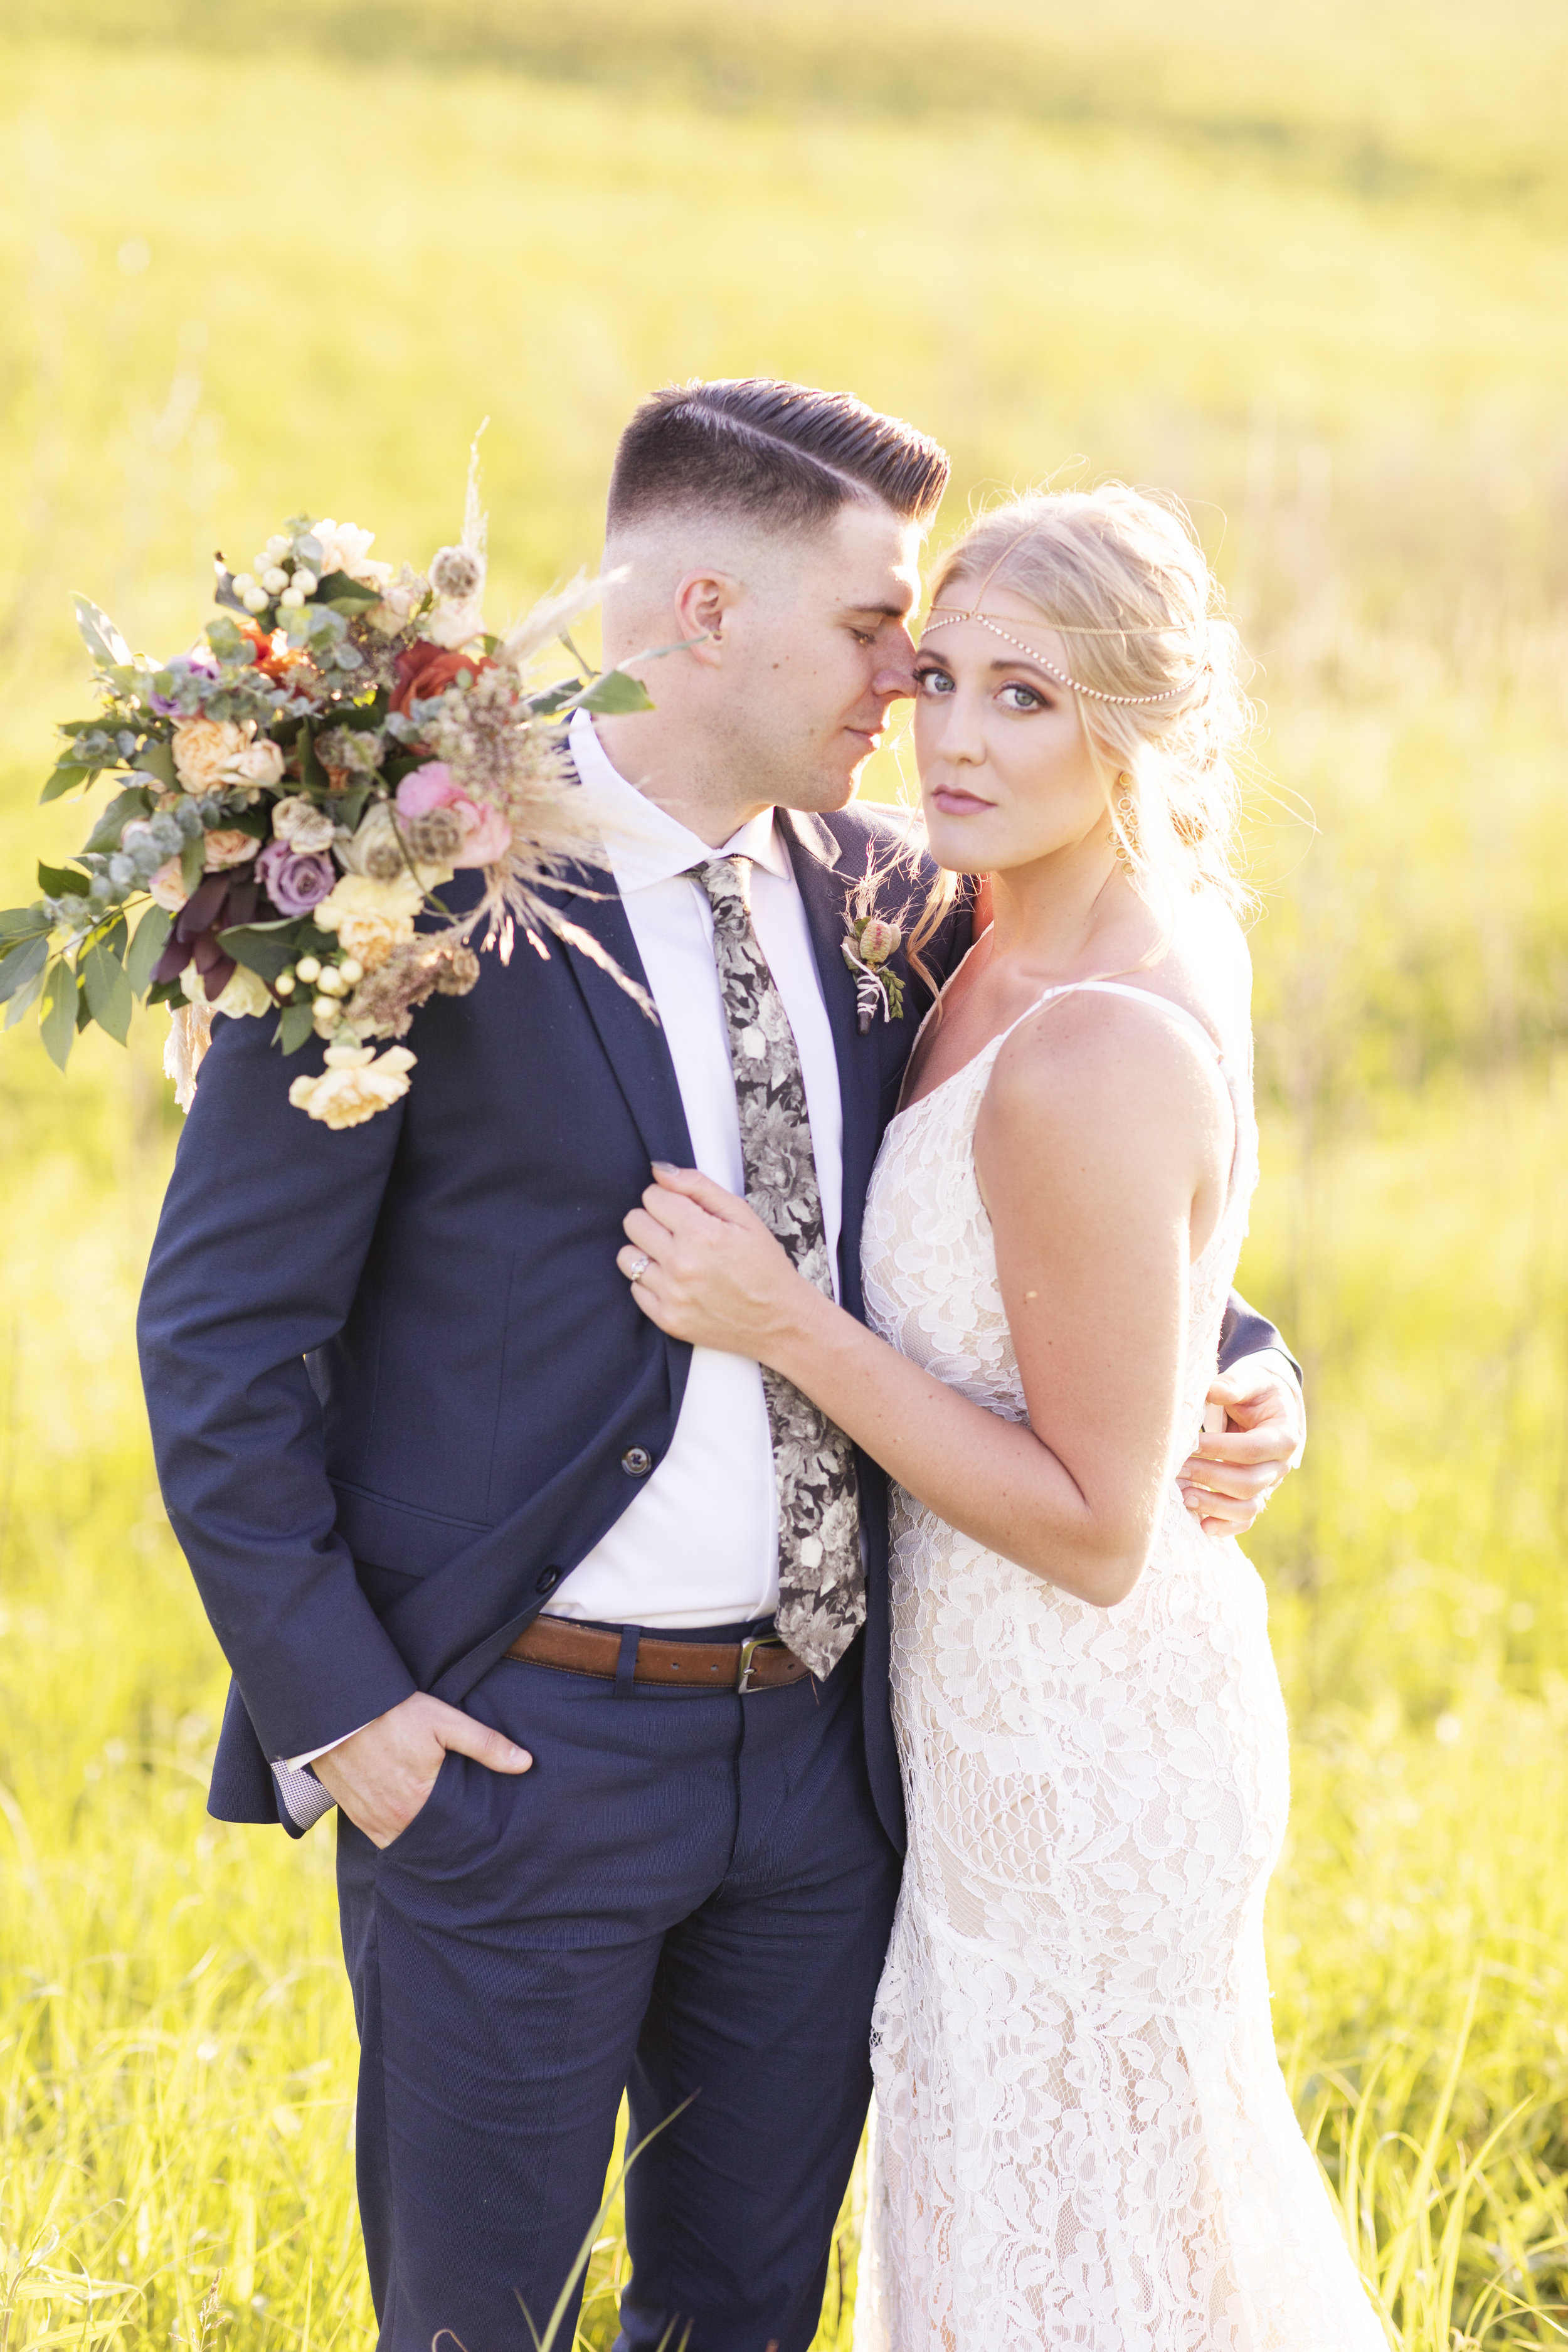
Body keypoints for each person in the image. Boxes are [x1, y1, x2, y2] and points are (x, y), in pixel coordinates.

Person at [137, 386, 1304, 2352]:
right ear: (699, 611)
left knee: (745, 2314)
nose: (906, 695)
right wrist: (351, 1720)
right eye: (880, 638)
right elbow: (223, 1336)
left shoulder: (885, 897)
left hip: (832, 1771)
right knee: (473, 2322)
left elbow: (1009, 1190)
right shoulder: (394, 896)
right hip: (516, 1753)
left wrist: (1237, 1357)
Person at [617, 485, 1379, 2348]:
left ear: (1136, 728)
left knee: (1077, 2256)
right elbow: (1114, 1293)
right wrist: (1238, 1359)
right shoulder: (979, 932)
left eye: (1023, 697)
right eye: (937, 673)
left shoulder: (1093, 1030)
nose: (950, 734)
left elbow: (1092, 1524)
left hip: (1080, 1741)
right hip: (969, 1725)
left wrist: (787, 1326)